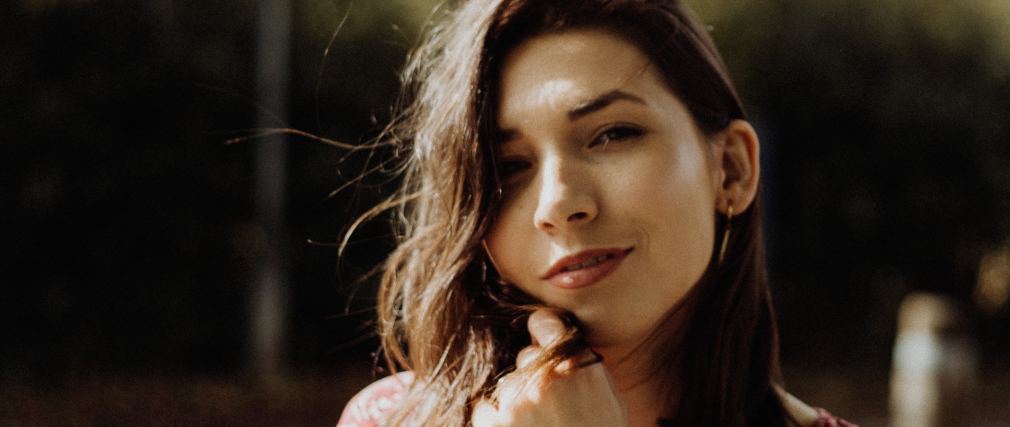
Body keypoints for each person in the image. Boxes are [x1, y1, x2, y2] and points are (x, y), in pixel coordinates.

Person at [338, 1, 854, 426]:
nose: (558, 204)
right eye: (509, 167)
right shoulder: (390, 420)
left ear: (732, 170)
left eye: (613, 135)